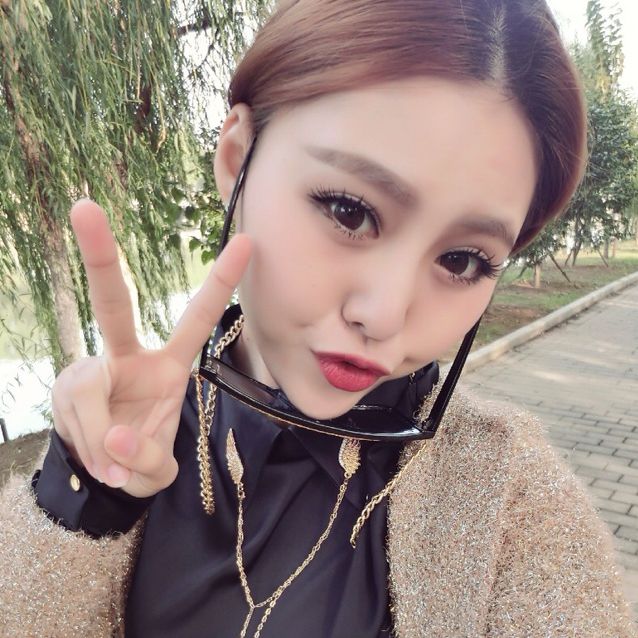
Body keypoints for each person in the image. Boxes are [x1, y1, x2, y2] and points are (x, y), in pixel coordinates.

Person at [0, 0, 635, 636]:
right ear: (237, 160)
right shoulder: (142, 430)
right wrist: (85, 493)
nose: (383, 316)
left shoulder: (511, 502)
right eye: (349, 212)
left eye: (462, 260)